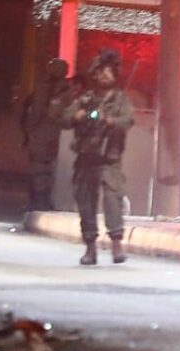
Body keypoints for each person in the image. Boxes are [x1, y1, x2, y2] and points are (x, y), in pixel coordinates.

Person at [57, 48, 133, 265]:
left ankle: (116, 244)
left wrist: (110, 121)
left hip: (109, 159)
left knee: (113, 201)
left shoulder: (120, 100)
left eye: (109, 71)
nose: (105, 75)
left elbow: (127, 121)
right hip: (86, 158)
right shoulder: (86, 99)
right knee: (86, 204)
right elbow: (64, 118)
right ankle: (90, 247)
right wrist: (79, 116)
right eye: (101, 71)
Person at [20, 57, 74, 211]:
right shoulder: (69, 90)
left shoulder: (44, 88)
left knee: (39, 169)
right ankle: (46, 200)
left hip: (42, 133)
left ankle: (39, 201)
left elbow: (35, 111)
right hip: (59, 135)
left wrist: (28, 130)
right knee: (51, 170)